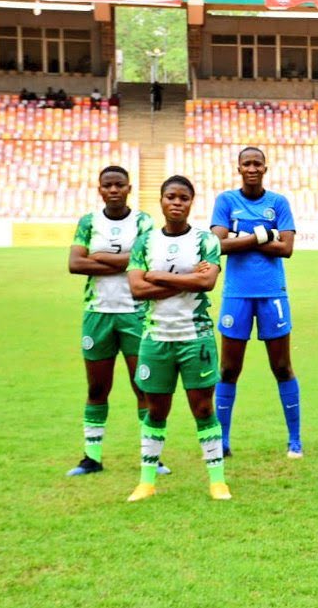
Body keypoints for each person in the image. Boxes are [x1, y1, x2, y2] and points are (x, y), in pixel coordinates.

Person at [125, 175, 227, 502]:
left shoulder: (206, 241)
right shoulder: (145, 242)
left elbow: (207, 282)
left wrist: (157, 276)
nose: (177, 203)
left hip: (195, 337)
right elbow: (137, 289)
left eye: (183, 197)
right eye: (171, 196)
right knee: (156, 410)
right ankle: (147, 482)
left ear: (191, 202)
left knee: (202, 408)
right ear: (161, 200)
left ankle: (217, 481)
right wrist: (185, 279)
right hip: (156, 338)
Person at [66, 166, 162, 477]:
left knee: (143, 387)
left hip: (135, 313)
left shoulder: (143, 221)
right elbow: (75, 263)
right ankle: (91, 458)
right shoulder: (89, 222)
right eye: (108, 185)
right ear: (100, 189)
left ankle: (152, 458)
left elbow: (143, 262)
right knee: (97, 387)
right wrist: (124, 261)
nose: (114, 190)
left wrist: (99, 256)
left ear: (129, 188)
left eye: (119, 185)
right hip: (98, 314)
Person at [210, 147, 302, 458]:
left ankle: (295, 441)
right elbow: (218, 246)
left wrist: (242, 237)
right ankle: (222, 442)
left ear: (265, 167)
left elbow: (286, 249)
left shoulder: (278, 203)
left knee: (281, 366)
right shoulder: (226, 201)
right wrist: (263, 236)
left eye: (257, 163)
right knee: (228, 369)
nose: (252, 168)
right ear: (238, 168)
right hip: (236, 295)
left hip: (272, 293)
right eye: (246, 163)